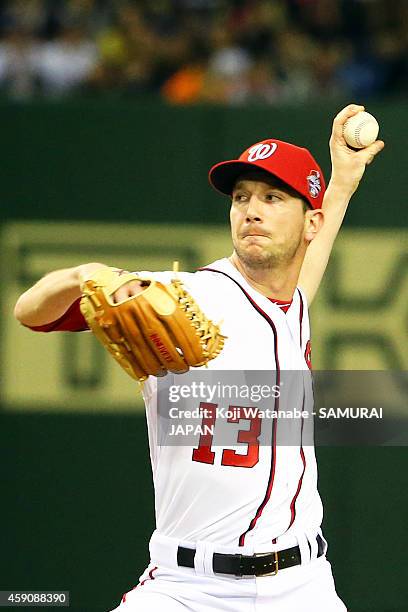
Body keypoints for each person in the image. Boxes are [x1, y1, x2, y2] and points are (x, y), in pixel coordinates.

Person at [14, 104, 384, 611]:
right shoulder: (185, 297)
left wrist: (342, 181)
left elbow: (309, 256)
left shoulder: (291, 302)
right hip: (187, 587)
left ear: (310, 221)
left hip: (302, 586)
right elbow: (29, 313)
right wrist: (84, 276)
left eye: (272, 197)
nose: (251, 209)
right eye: (241, 197)